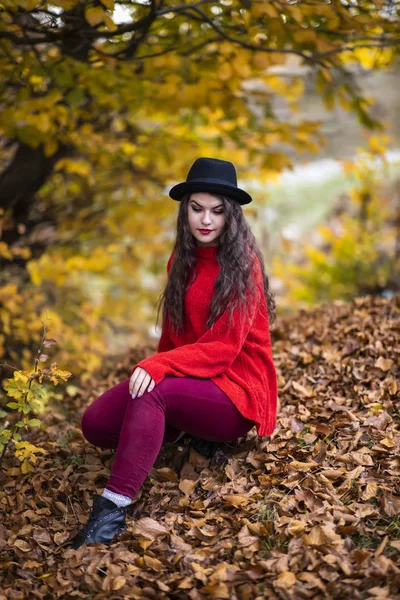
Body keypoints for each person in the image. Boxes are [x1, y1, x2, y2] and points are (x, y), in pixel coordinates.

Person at [69, 157, 278, 550]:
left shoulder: (242, 264)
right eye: (197, 209)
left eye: (217, 211)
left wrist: (159, 368)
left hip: (236, 391)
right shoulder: (180, 260)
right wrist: (161, 364)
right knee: (96, 425)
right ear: (185, 211)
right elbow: (173, 338)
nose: (206, 220)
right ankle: (175, 425)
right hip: (196, 380)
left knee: (154, 391)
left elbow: (223, 349)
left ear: (231, 215)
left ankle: (112, 509)